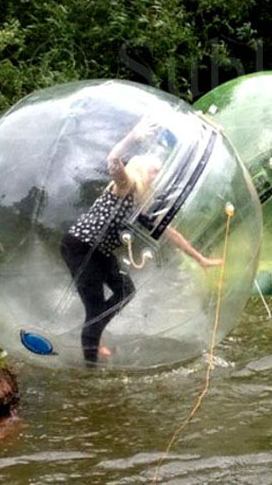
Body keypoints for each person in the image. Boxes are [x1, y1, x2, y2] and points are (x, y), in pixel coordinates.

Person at [60, 119, 223, 364]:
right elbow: (113, 161)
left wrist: (200, 258)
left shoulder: (141, 203)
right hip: (80, 246)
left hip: (99, 251)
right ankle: (91, 368)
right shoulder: (126, 185)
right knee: (94, 307)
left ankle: (93, 338)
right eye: (154, 170)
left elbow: (170, 232)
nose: (157, 175)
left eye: (159, 171)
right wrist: (132, 137)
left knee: (125, 290)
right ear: (140, 168)